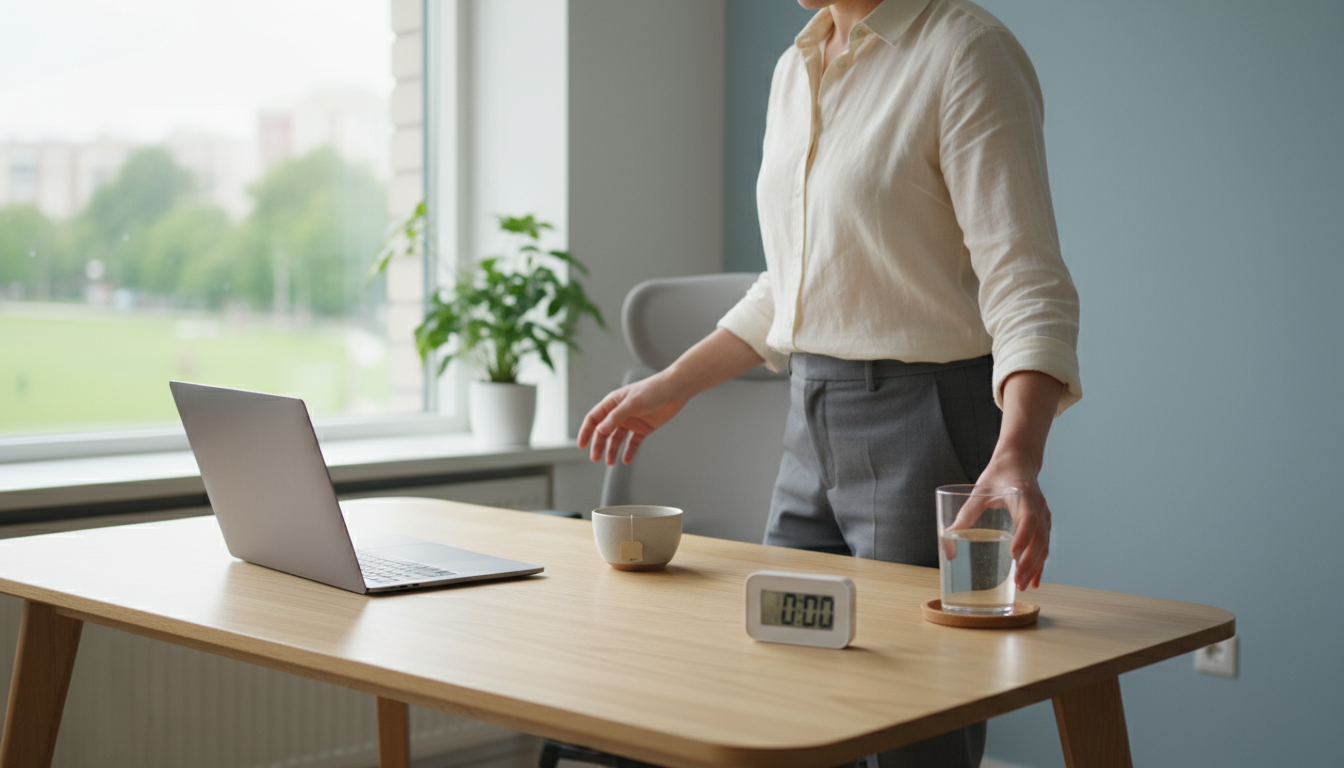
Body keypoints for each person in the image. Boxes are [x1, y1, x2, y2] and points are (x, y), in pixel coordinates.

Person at [579, 0, 1081, 765]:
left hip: (928, 422)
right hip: (808, 422)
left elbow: (1026, 283)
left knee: (920, 722)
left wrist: (1019, 452)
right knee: (790, 689)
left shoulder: (965, 52)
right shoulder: (796, 65)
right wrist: (672, 384)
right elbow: (791, 282)